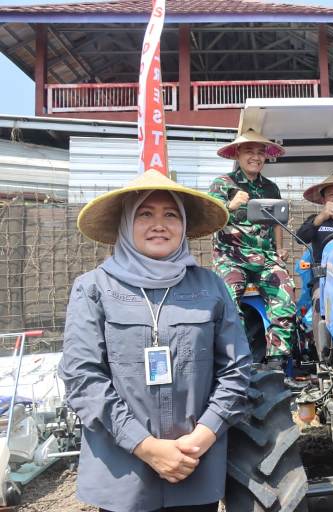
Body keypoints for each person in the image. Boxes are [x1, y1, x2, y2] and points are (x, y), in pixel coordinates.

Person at [59, 169, 251, 512]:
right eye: (145, 214)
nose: (159, 224)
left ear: (184, 226)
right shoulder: (93, 288)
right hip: (123, 474)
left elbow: (237, 370)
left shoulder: (211, 287)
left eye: (171, 214)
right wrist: (146, 447)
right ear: (126, 224)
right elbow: (82, 378)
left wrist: (201, 437)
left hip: (196, 467)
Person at [208, 129, 297, 364]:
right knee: (227, 298)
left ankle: (277, 363)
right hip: (231, 257)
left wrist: (279, 249)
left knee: (285, 294)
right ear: (237, 154)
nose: (255, 157)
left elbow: (277, 221)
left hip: (265, 257)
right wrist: (231, 205)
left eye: (260, 153)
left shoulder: (270, 188)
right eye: (249, 151)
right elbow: (209, 219)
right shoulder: (222, 183)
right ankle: (236, 361)